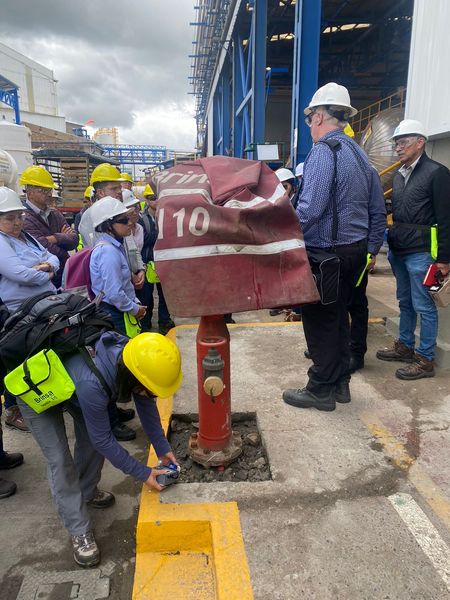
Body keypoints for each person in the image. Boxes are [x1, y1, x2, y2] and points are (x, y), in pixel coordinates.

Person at [16, 331, 182, 566]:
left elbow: (145, 404)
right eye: (149, 389)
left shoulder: (133, 360)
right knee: (59, 459)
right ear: (132, 378)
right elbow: (103, 440)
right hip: (37, 391)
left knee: (89, 440)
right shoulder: (94, 384)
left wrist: (163, 448)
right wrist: (144, 473)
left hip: (70, 388)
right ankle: (79, 530)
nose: (149, 395)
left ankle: (86, 491)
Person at [282, 82, 386, 411]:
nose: (309, 124)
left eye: (310, 117)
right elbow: (376, 211)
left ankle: (320, 389)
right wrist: (369, 249)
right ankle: (340, 382)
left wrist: (284, 239)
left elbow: (310, 208)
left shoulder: (324, 152)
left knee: (321, 320)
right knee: (340, 318)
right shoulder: (359, 155)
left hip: (327, 255)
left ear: (321, 116)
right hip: (354, 252)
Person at [376, 119, 450, 379]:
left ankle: (425, 359)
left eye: (403, 142)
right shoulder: (398, 176)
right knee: (405, 301)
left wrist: (444, 258)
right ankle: (405, 346)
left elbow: (445, 217)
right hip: (398, 249)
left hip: (421, 251)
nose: (398, 147)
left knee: (424, 305)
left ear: (421, 142)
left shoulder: (436, 173)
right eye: (396, 142)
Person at [0, 186, 60, 431]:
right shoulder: (2, 242)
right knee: (18, 361)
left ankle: (43, 396)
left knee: (40, 355)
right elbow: (19, 274)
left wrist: (45, 266)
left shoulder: (27, 237)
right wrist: (46, 271)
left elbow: (54, 256)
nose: (16, 222)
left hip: (43, 306)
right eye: (9, 218)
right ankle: (14, 409)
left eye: (19, 216)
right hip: (19, 312)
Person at [20, 165, 78, 287]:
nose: (49, 194)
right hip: (44, 279)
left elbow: (74, 241)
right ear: (29, 192)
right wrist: (64, 248)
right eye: (44, 190)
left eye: (49, 190)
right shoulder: (24, 218)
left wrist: (55, 238)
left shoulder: (55, 214)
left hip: (63, 275)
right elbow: (41, 247)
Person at [139, 193, 175, 334]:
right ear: (147, 200)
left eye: (157, 197)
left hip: (164, 260)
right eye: (152, 198)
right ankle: (145, 323)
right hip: (148, 262)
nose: (156, 201)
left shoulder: (167, 216)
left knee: (164, 295)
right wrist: (159, 234)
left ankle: (164, 321)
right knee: (146, 295)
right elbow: (144, 239)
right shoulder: (142, 220)